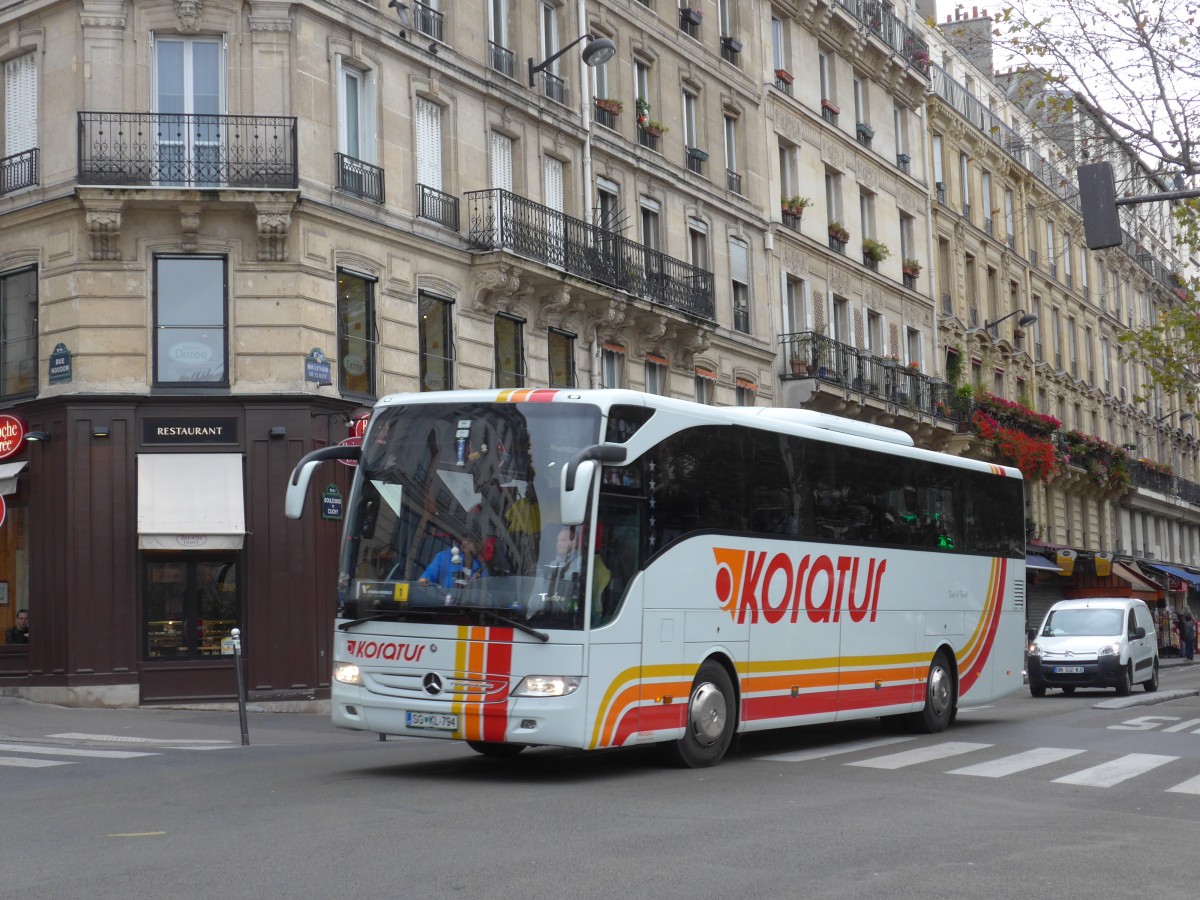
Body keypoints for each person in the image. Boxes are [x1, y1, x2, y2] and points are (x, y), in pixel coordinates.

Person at [418, 537, 487, 589]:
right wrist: (424, 580)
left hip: (471, 606)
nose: (466, 542)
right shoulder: (444, 557)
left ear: (478, 545)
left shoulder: (481, 567)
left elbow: (488, 588)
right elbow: (430, 574)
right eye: (464, 539)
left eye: (470, 541)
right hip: (446, 605)